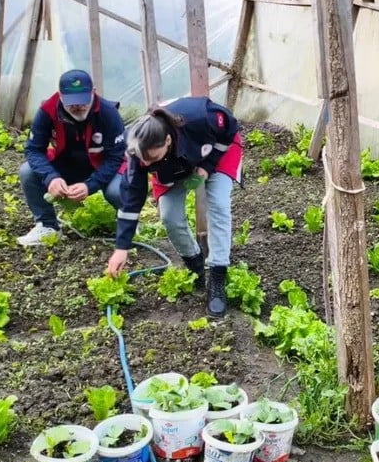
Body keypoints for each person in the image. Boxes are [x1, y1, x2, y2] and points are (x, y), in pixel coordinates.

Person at [106, 98, 242, 318]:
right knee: (169, 216)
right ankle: (195, 264)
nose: (147, 165)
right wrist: (121, 248)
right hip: (172, 166)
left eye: (152, 158)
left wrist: (207, 166)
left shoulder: (200, 117)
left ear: (167, 140)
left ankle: (217, 275)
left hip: (215, 150)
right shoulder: (139, 152)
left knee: (218, 204)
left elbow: (230, 126)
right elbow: (132, 199)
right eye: (144, 161)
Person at [16, 69, 126, 246]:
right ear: (60, 95)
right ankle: (48, 226)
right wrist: (51, 178)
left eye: (83, 101)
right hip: (65, 165)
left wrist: (90, 185)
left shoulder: (108, 113)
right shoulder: (47, 111)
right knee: (27, 171)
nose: (78, 107)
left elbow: (116, 157)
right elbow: (34, 150)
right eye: (71, 103)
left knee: (117, 190)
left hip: (101, 165)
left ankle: (128, 222)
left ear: (93, 92)